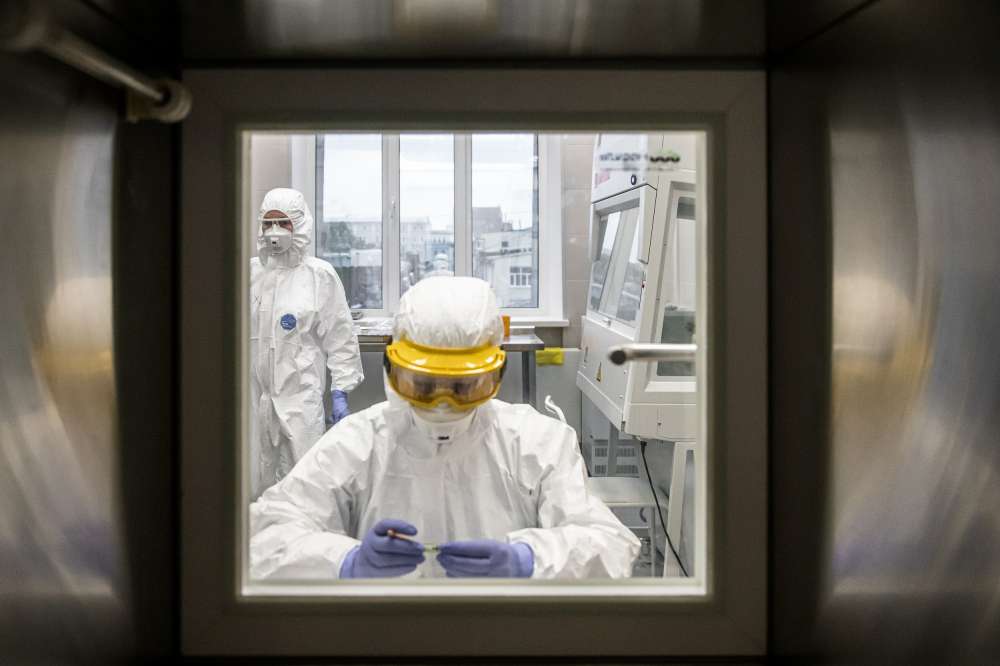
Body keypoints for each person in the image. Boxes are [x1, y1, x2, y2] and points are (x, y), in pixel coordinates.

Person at [250, 276, 639, 579]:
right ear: (392, 369)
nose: (442, 403)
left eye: (462, 386)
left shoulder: (537, 442)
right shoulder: (358, 442)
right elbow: (265, 536)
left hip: (503, 635)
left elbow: (610, 545)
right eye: (422, 383)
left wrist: (528, 559)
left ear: (495, 373)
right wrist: (345, 561)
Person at [250, 187, 363, 500]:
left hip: (300, 402)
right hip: (255, 401)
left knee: (306, 487)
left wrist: (340, 391)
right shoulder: (249, 274)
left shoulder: (318, 276)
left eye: (283, 223)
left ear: (299, 225)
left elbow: (341, 337)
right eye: (268, 223)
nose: (274, 232)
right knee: (255, 485)